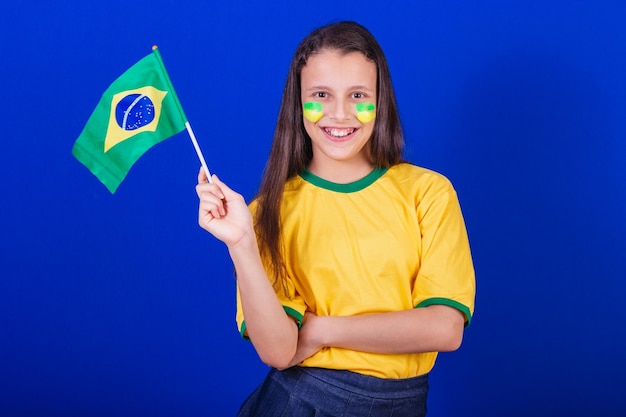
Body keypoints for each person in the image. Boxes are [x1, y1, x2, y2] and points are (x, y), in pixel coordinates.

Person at [196, 21, 475, 417]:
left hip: (405, 403)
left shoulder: (428, 193)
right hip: (298, 403)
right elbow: (278, 350)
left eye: (358, 94)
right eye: (321, 95)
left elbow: (445, 329)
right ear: (298, 103)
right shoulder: (265, 213)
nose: (340, 114)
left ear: (380, 101)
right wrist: (241, 243)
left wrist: (321, 329)